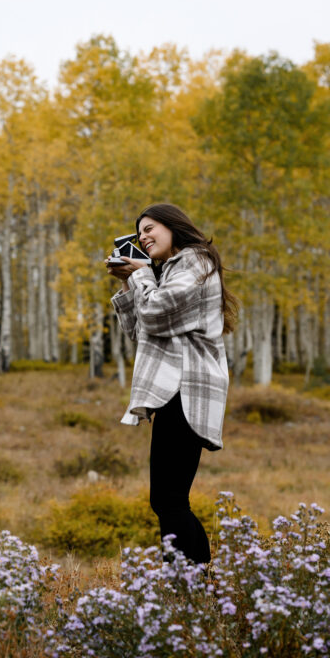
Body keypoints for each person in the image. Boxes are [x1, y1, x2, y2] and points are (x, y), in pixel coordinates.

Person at [106, 203, 237, 565]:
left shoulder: (196, 261)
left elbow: (155, 314)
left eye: (150, 229)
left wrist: (142, 275)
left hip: (186, 388)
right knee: (169, 498)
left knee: (168, 499)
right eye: (139, 233)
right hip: (175, 390)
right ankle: (200, 586)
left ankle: (186, 587)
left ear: (173, 226)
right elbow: (141, 329)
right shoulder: (171, 272)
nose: (143, 237)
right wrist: (129, 280)